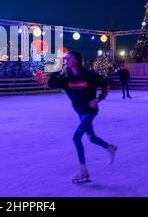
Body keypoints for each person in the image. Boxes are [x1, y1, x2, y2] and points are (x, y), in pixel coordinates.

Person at [48, 51, 117, 183]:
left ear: (77, 60)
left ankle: (83, 171)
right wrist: (57, 68)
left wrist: (99, 98)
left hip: (90, 112)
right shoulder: (66, 77)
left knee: (76, 138)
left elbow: (107, 85)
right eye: (66, 58)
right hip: (79, 111)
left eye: (69, 58)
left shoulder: (89, 75)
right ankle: (110, 148)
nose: (66, 60)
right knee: (92, 138)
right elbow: (51, 84)